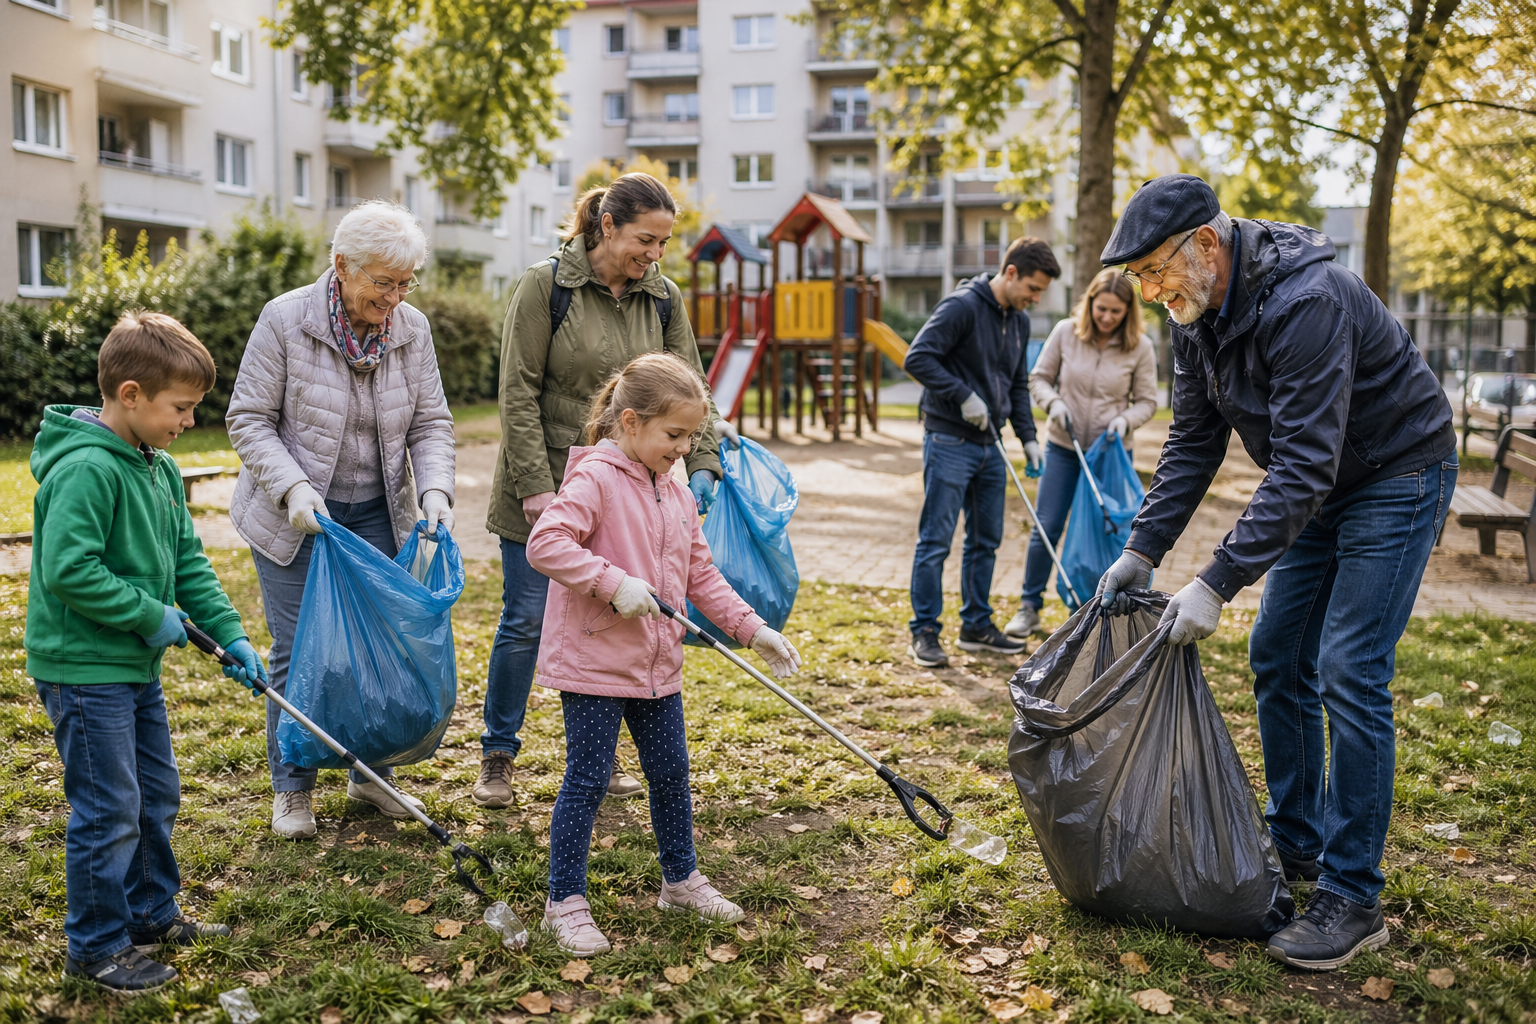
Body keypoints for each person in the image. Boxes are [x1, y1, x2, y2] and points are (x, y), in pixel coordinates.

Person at [1096, 174, 1457, 970]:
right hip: (1324, 483)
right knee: (1276, 655)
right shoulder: (1195, 318)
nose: (1152, 292)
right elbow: (1193, 443)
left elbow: (1301, 470)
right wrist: (1141, 549)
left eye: (1157, 271)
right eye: (1142, 280)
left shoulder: (1309, 300)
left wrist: (1215, 581)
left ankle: (1353, 896)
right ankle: (1295, 841)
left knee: (1348, 667)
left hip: (1397, 473)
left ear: (1208, 244)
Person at [525, 352, 800, 956]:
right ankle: (564, 900)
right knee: (588, 779)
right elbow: (545, 543)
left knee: (672, 774)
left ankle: (681, 881)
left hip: (658, 666)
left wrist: (753, 630)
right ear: (629, 422)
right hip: (598, 662)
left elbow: (703, 575)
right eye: (673, 435)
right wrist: (611, 582)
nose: (683, 448)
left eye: (691, 437)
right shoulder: (593, 478)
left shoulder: (675, 494)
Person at [26, 311, 268, 993]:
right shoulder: (85, 469)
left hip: (130, 667)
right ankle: (96, 946)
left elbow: (189, 562)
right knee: (108, 810)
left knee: (155, 794)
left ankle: (149, 914)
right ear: (130, 395)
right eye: (181, 408)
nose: (189, 422)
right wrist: (148, 614)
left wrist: (232, 636)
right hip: (83, 668)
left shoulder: (157, 467)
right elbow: (67, 571)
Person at [478, 172, 732, 809]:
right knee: (526, 618)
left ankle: (600, 752)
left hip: (627, 494)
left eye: (664, 243)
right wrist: (538, 487)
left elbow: (692, 389)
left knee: (614, 619)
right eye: (645, 239)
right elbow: (517, 392)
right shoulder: (545, 286)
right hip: (542, 485)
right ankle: (498, 754)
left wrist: (702, 464)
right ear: (607, 225)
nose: (654, 254)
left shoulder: (663, 297)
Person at [227, 200, 457, 840]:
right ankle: (292, 788)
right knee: (298, 649)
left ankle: (369, 772)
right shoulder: (285, 319)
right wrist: (293, 488)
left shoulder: (411, 330)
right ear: (341, 267)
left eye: (405, 282)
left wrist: (435, 490)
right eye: (382, 282)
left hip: (379, 512)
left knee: (373, 651)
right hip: (296, 516)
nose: (395, 295)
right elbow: (248, 419)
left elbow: (432, 423)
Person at [902, 237, 1059, 668]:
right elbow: (918, 358)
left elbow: (1015, 386)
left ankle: (975, 626)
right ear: (1010, 273)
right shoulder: (962, 307)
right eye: (1032, 288)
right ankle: (925, 632)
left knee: (985, 541)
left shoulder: (1019, 320)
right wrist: (963, 396)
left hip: (991, 446)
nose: (1035, 298)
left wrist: (1028, 437)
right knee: (936, 540)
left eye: (1040, 292)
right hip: (949, 440)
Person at [1005, 269, 1157, 637]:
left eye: (1115, 312)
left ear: (1127, 312)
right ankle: (1029, 606)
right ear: (1089, 303)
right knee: (1048, 525)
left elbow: (1149, 401)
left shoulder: (1140, 346)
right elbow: (1038, 378)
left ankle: (1100, 608)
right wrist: (1053, 402)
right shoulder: (1065, 333)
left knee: (1109, 531)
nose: (1106, 318)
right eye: (1101, 309)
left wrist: (1125, 420)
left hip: (1109, 455)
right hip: (1064, 446)